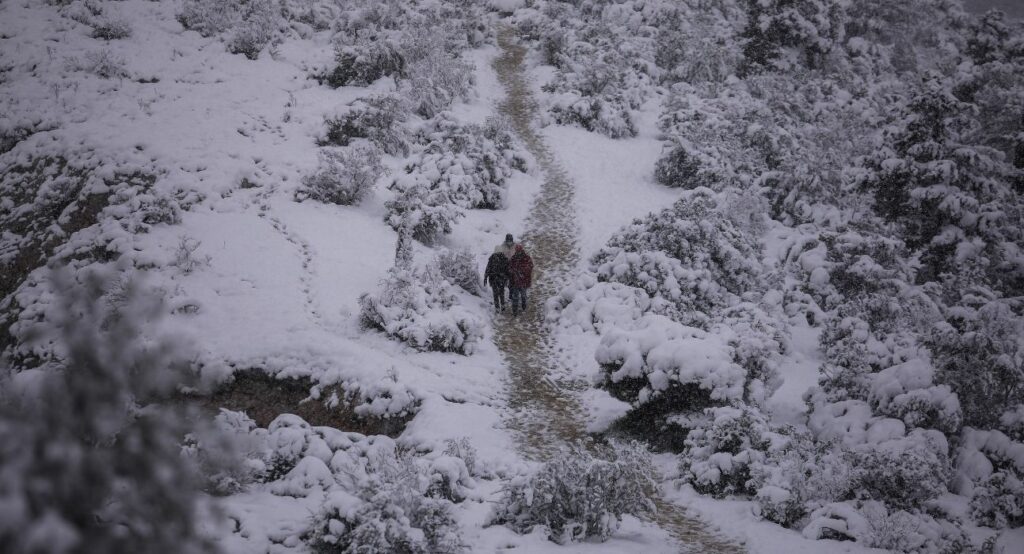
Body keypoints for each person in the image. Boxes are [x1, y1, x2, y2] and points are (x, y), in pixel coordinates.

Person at [508, 244, 533, 317]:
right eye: (517, 251)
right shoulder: (513, 258)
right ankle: (514, 310)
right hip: (515, 281)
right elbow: (510, 267)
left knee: (523, 295)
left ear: (521, 250)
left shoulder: (526, 258)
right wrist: (512, 271)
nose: (518, 252)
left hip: (524, 281)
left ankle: (524, 304)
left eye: (519, 251)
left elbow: (530, 266)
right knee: (515, 296)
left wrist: (522, 271)